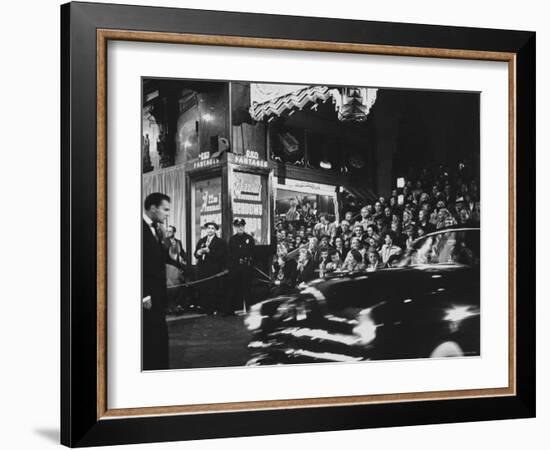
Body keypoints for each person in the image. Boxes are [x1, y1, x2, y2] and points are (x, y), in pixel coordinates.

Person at [142, 192, 171, 370]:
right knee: (150, 339)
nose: (167, 213)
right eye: (165, 209)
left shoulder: (156, 230)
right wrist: (144, 295)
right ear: (153, 208)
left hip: (158, 296)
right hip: (147, 298)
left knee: (158, 337)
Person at [194, 222, 227, 315]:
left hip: (213, 270)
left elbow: (222, 256)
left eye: (212, 228)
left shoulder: (220, 242)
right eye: (208, 228)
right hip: (202, 269)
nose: (210, 230)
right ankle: (204, 307)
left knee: (213, 289)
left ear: (215, 230)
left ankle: (213, 308)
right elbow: (195, 254)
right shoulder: (202, 240)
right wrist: (198, 253)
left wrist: (210, 252)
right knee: (203, 288)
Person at [227, 218, 255, 315]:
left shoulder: (249, 239)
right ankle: (236, 308)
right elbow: (230, 255)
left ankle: (248, 309)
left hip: (246, 267)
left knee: (247, 288)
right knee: (235, 288)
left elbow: (253, 253)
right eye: (238, 226)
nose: (240, 228)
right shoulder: (232, 239)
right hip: (235, 267)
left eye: (242, 226)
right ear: (235, 227)